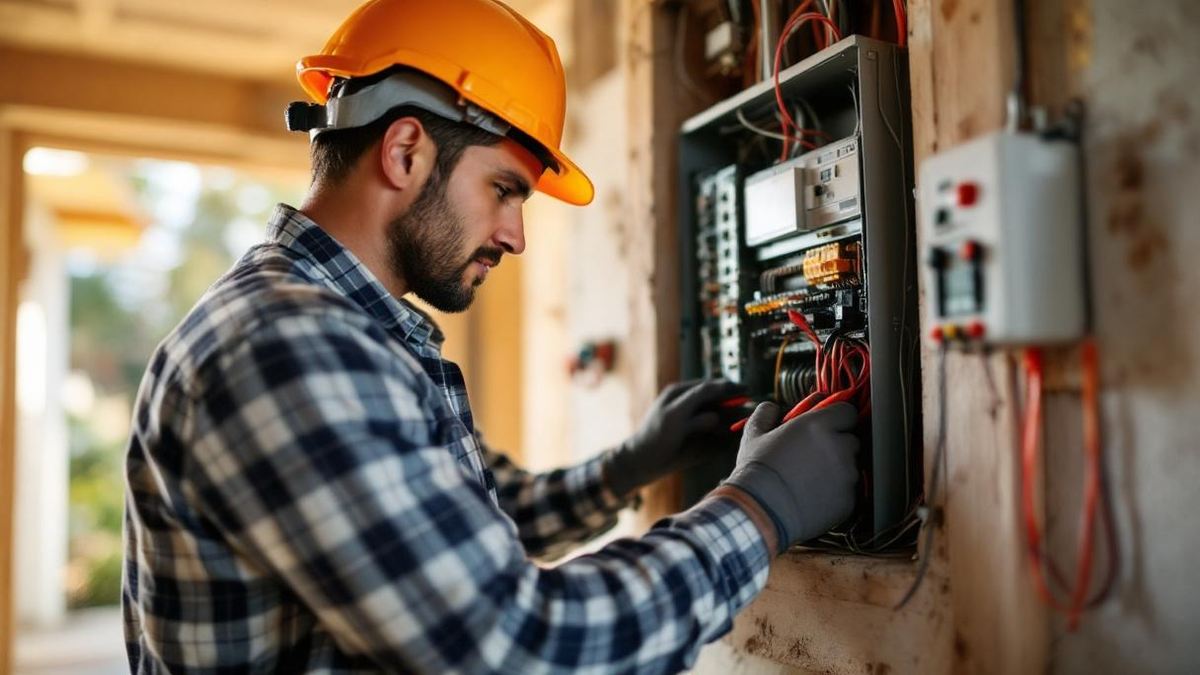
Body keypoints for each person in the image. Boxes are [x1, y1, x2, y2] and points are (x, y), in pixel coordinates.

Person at [121, 0, 860, 672]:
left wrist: (625, 469)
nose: (516, 236)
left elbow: (452, 525)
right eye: (505, 189)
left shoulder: (339, 330)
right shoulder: (289, 348)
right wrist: (764, 508)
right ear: (406, 151)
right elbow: (517, 648)